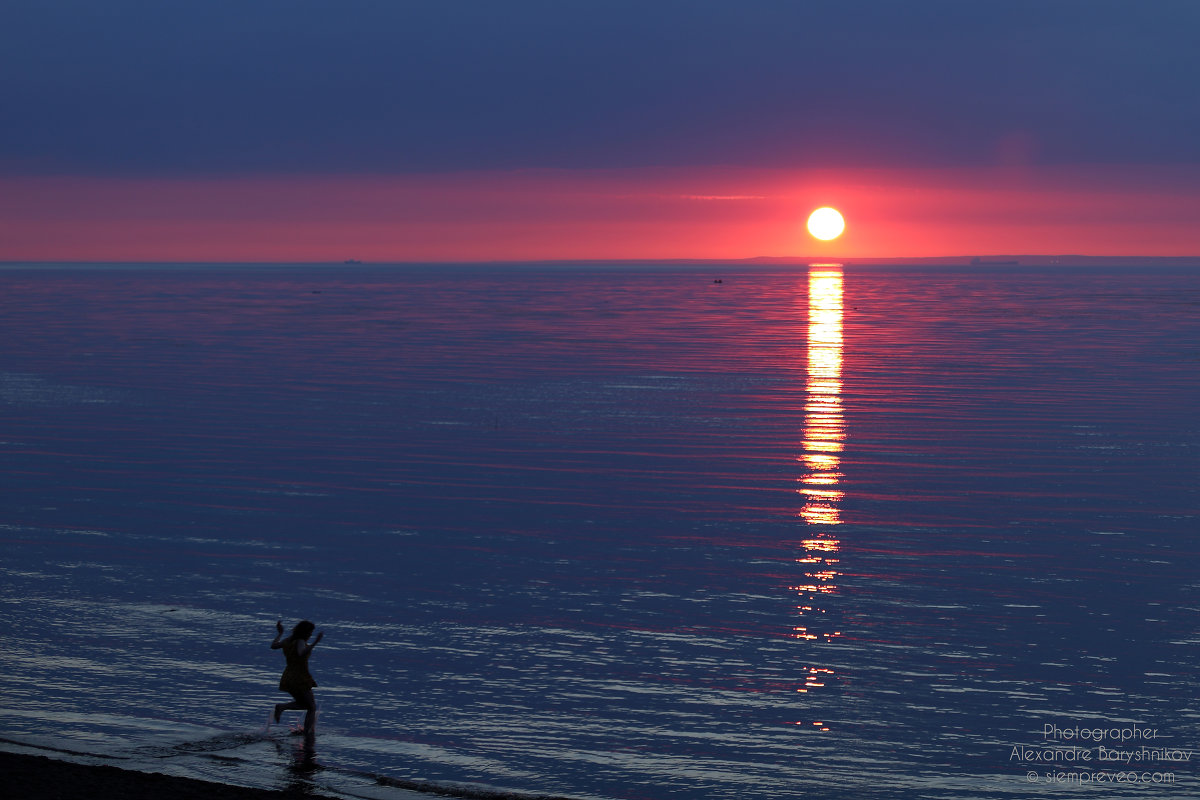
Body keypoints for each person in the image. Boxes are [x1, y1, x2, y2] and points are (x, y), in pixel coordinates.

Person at [271, 619, 323, 738]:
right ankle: (307, 733)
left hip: (288, 677)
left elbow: (273, 646)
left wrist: (280, 633)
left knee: (305, 704)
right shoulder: (300, 641)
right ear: (304, 632)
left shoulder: (288, 640)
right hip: (299, 678)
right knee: (312, 707)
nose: (310, 635)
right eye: (310, 632)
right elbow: (301, 653)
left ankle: (282, 707)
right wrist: (315, 643)